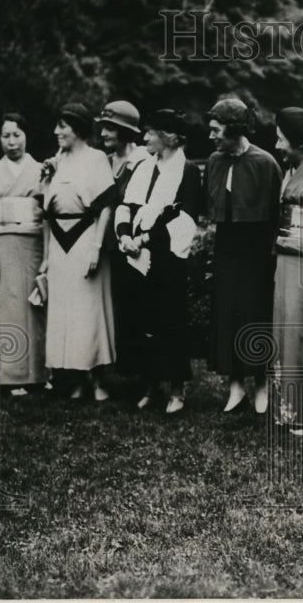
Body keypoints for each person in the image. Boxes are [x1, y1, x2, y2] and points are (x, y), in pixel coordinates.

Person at [115, 109, 201, 415]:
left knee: (170, 322)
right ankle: (151, 384)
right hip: (138, 256)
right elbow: (127, 206)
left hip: (167, 257)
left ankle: (177, 389)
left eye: (151, 132)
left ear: (168, 137)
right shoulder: (144, 167)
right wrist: (125, 235)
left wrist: (146, 239)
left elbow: (186, 220)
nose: (145, 137)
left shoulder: (187, 171)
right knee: (144, 321)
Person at [205, 98, 282, 414]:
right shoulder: (213, 161)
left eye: (216, 129)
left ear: (234, 129)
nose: (211, 136)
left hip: (257, 252)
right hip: (226, 248)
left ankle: (261, 386)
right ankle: (236, 387)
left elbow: (278, 215)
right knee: (228, 316)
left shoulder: (265, 163)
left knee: (255, 317)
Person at [40, 102, 117, 401]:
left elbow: (106, 206)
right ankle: (75, 377)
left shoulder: (96, 159)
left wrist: (97, 247)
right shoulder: (57, 160)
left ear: (79, 129)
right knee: (65, 313)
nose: (56, 132)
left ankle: (98, 379)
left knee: (88, 311)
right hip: (60, 244)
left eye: (63, 126)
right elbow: (47, 210)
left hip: (86, 239)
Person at [0, 113, 48, 395]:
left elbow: (49, 211)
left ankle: (41, 373)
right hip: (1, 243)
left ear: (26, 136)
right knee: (7, 307)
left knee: (36, 304)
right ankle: (12, 376)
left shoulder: (42, 170)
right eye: (6, 136)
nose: (12, 142)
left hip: (34, 242)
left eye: (17, 135)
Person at [272, 107, 303, 436]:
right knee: (283, 333)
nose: (276, 145)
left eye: (280, 138)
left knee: (300, 335)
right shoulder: (294, 169)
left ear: (299, 142)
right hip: (286, 259)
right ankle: (288, 411)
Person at [96, 100, 151, 379]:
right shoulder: (103, 161)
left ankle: (140, 378)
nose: (104, 134)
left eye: (110, 128)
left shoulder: (142, 161)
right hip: (106, 246)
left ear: (126, 132)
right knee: (113, 309)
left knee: (135, 309)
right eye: (103, 128)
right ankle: (121, 374)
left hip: (134, 246)